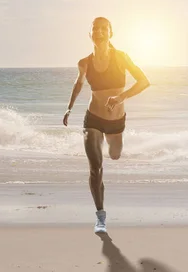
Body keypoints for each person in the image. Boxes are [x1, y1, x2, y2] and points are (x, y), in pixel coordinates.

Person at [63, 16, 150, 233]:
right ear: (90, 34)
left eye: (104, 29)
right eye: (95, 29)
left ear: (111, 33)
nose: (99, 32)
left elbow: (144, 81)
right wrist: (69, 107)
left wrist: (121, 98)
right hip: (93, 118)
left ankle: (112, 144)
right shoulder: (84, 62)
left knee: (115, 154)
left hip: (116, 121)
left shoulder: (121, 57)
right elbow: (78, 83)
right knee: (96, 168)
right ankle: (100, 216)